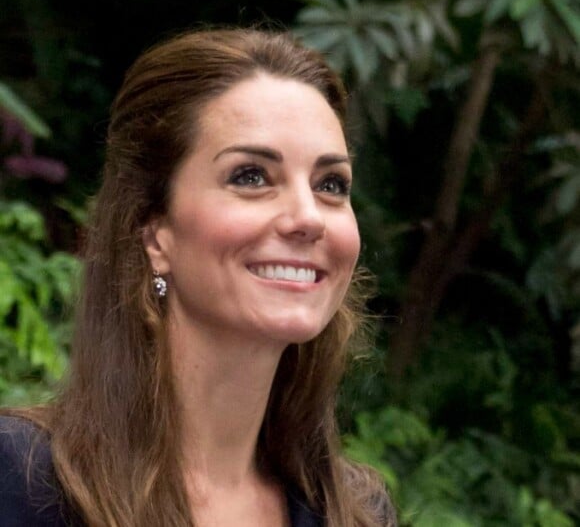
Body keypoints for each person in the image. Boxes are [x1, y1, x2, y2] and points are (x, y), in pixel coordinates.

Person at [0, 28, 398, 526]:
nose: (309, 217)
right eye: (251, 176)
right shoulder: (19, 481)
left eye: (331, 184)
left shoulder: (357, 514)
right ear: (154, 232)